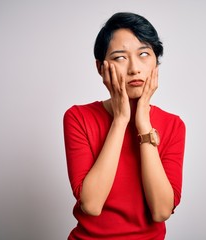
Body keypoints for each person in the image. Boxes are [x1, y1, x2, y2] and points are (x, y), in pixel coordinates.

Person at [63, 12, 186, 239]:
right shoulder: (78, 117)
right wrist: (121, 120)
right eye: (120, 57)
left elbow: (161, 211)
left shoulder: (173, 125)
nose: (134, 69)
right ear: (101, 67)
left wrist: (142, 123)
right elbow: (91, 205)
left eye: (144, 54)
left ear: (156, 63)